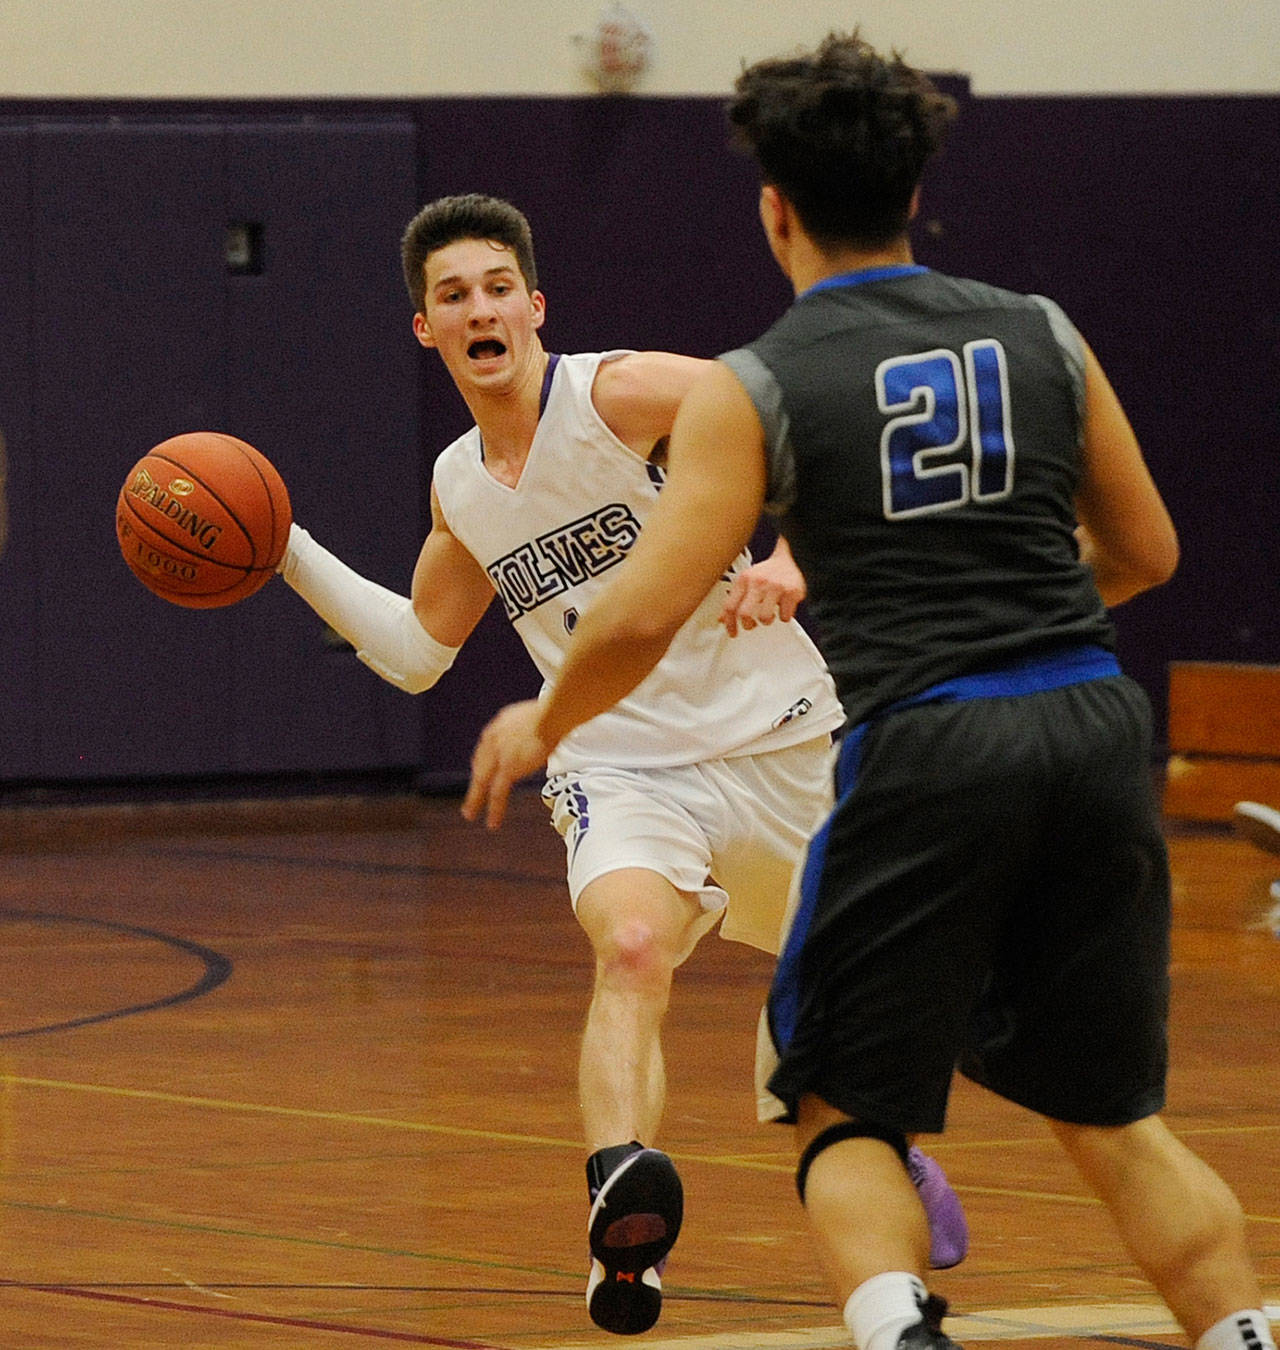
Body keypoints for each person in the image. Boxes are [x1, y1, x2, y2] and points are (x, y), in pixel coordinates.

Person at [462, 36, 1276, 1350]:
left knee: (834, 1097)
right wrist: (1019, 611)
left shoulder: (759, 383)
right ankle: (1239, 1328)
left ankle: (900, 1324)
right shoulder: (1044, 333)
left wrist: (539, 717)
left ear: (774, 208)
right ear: (915, 194)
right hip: (1086, 720)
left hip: (928, 740)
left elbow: (650, 603)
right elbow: (1147, 555)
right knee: (1111, 1114)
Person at [275, 192, 967, 1336]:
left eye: (498, 286)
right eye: (452, 295)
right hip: (622, 766)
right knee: (632, 948)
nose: (479, 307)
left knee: (837, 1033)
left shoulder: (619, 393)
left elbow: (809, 414)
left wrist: (791, 555)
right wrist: (282, 546)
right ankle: (622, 1206)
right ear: (425, 329)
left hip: (783, 740)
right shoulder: (459, 485)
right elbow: (411, 653)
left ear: (534, 305)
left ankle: (874, 1143)